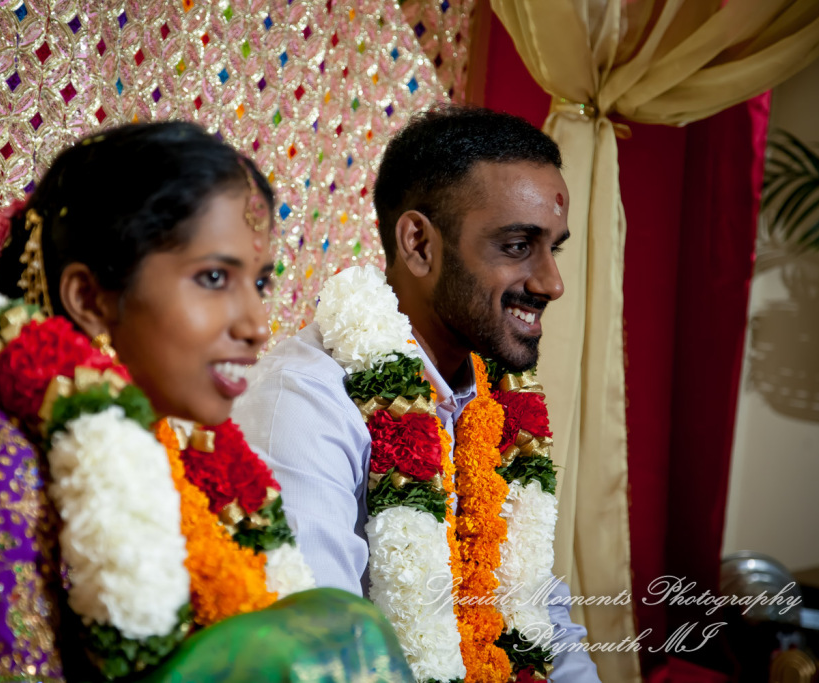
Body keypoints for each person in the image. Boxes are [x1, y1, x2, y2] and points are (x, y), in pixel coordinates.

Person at [0, 123, 411, 681]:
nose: (257, 324)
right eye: (213, 278)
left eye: (258, 283)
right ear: (90, 299)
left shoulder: (181, 452)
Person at [233, 107, 601, 681]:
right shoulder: (306, 402)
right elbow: (322, 657)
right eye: (516, 245)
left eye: (553, 248)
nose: (551, 283)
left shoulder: (494, 400)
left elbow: (543, 619)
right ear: (419, 244)